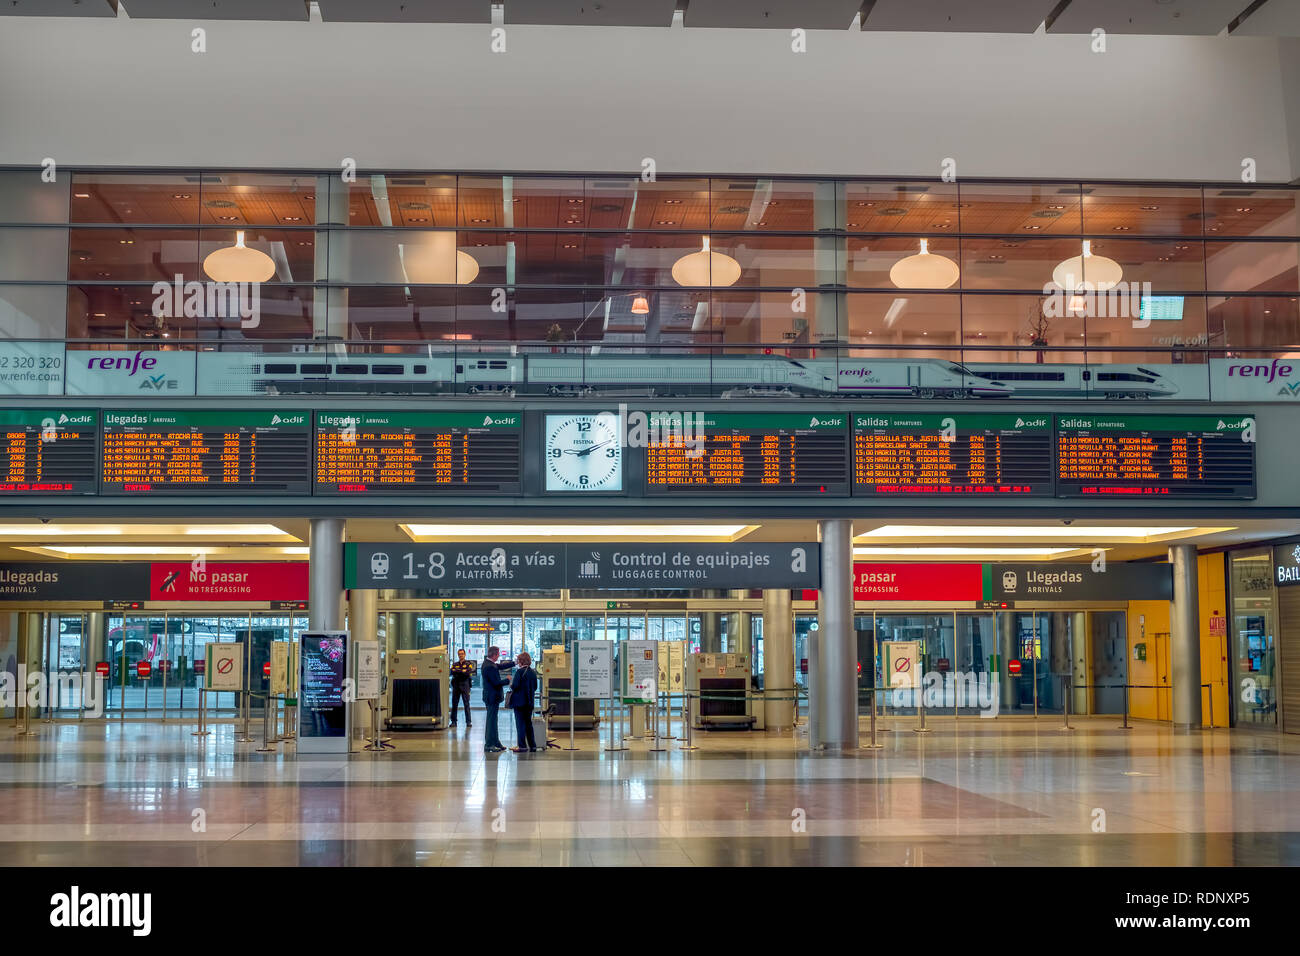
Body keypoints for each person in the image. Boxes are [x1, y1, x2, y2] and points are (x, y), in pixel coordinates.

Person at [479, 646, 515, 753]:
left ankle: (496, 742)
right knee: (491, 721)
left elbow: (500, 666)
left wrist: (514, 663)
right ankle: (489, 744)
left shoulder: (489, 663)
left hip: (491, 697)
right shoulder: (489, 666)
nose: (499, 655)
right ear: (494, 655)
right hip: (492, 697)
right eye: (498, 654)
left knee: (494, 720)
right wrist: (507, 680)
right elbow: (496, 683)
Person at [508, 652, 539, 753]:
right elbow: (535, 687)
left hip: (519, 702)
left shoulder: (519, 672)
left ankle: (522, 746)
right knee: (528, 724)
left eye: (518, 660)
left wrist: (511, 683)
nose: (517, 662)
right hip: (529, 702)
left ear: (521, 661)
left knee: (520, 724)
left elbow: (515, 685)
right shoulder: (533, 672)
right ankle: (532, 745)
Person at [448, 648, 474, 727]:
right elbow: (452, 672)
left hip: (465, 685)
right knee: (454, 704)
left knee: (466, 704)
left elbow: (468, 673)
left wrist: (458, 671)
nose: (461, 655)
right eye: (459, 654)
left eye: (462, 654)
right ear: (458, 655)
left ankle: (468, 722)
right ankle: (453, 721)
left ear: (465, 654)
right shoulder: (455, 664)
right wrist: (462, 671)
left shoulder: (469, 663)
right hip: (456, 685)